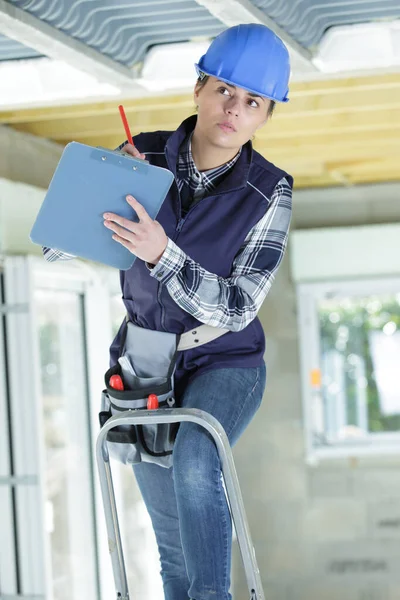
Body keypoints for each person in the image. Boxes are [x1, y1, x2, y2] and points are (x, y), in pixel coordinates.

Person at [43, 23, 293, 600]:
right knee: (173, 554)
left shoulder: (269, 191)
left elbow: (236, 307)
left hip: (226, 361)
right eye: (224, 90)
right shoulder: (145, 155)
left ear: (265, 116)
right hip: (145, 364)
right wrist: (102, 186)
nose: (234, 108)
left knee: (194, 457)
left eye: (252, 102)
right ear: (200, 89)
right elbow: (55, 244)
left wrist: (162, 255)